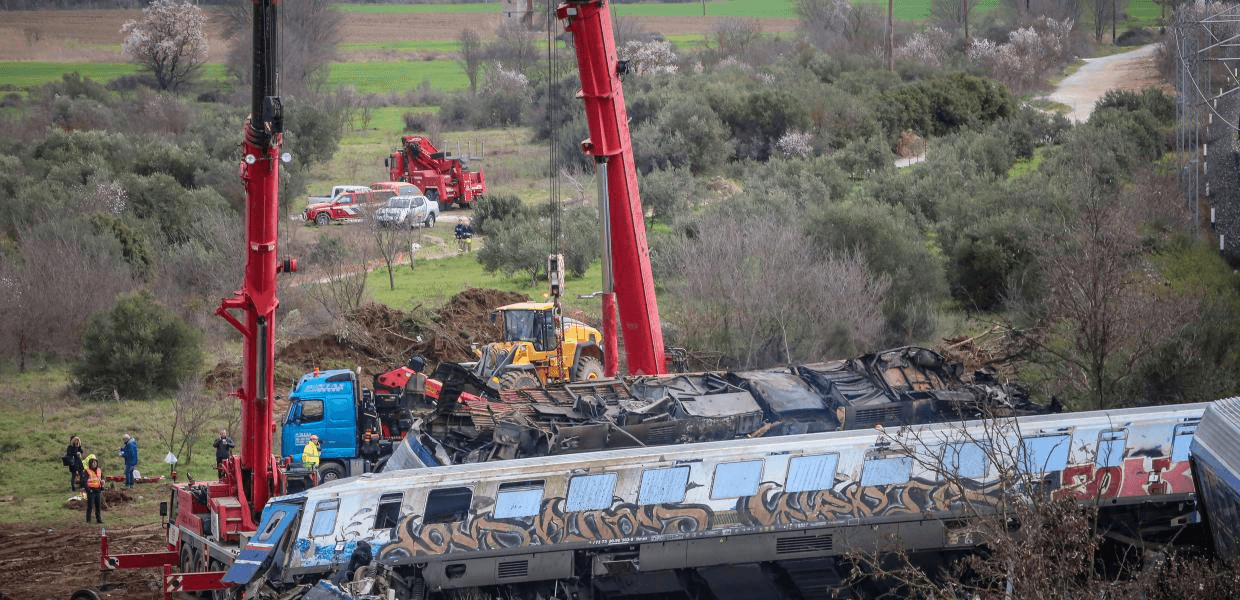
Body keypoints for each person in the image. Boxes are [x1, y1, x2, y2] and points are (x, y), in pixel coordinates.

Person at [81, 455, 103, 524]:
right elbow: (84, 482)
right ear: (90, 464)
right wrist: (88, 490)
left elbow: (103, 477)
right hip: (91, 491)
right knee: (90, 506)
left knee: (98, 506)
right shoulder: (87, 471)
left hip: (98, 490)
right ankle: (88, 520)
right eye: (93, 463)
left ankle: (98, 519)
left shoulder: (99, 470)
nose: (94, 464)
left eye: (95, 463)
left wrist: (103, 481)